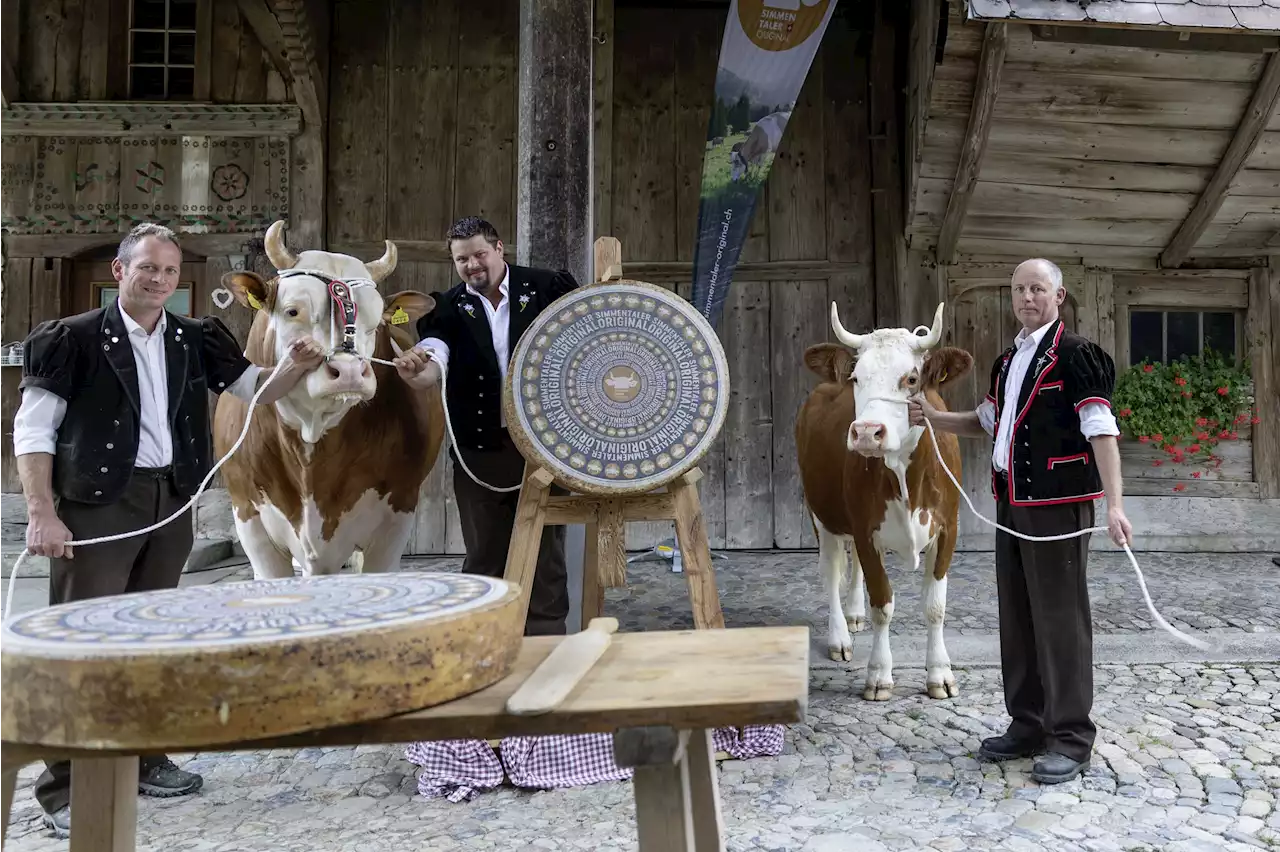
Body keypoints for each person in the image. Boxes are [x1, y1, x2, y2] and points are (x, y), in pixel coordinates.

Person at [14, 222, 325, 837]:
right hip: (99, 503)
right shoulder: (70, 339)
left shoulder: (192, 336)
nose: (158, 280)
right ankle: (64, 785)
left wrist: (294, 365)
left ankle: (144, 759)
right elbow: (33, 429)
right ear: (119, 272)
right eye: (146, 268)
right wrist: (42, 513)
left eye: (169, 271)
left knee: (151, 639)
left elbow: (254, 391)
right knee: (80, 645)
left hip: (172, 500)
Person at [908, 257, 1133, 786]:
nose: (1027, 297)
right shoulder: (1008, 361)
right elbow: (987, 422)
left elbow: (1102, 431)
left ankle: (1072, 739)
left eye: (1037, 288)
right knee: (1018, 617)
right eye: (1018, 289)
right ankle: (1028, 725)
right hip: (1013, 506)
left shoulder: (1078, 356)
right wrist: (933, 417)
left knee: (1061, 623)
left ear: (1059, 296)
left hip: (1059, 507)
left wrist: (1115, 505)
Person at [392, 216, 578, 636]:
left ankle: (545, 637)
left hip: (543, 444)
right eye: (462, 259)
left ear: (498, 250)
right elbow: (434, 354)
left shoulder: (548, 287)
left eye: (479, 254)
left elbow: (583, 335)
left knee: (546, 550)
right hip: (479, 451)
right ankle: (488, 639)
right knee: (484, 551)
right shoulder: (447, 308)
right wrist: (417, 368)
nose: (472, 265)